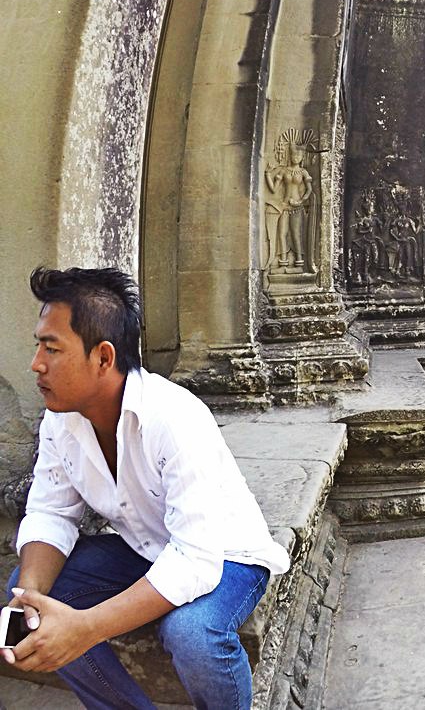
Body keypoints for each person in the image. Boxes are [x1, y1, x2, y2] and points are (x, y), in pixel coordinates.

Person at [6, 267, 290, 709]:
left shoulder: (174, 418)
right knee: (33, 599)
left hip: (226, 555)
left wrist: (85, 628)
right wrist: (31, 598)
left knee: (191, 633)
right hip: (145, 547)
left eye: (52, 348)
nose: (36, 363)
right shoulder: (61, 419)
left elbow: (195, 560)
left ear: (103, 357)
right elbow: (50, 512)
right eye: (38, 345)